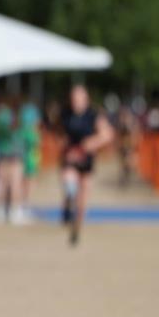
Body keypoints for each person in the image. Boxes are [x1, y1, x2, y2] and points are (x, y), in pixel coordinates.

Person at [59, 84, 115, 245]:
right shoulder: (66, 113)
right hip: (70, 157)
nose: (76, 102)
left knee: (83, 197)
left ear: (86, 99)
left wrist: (91, 143)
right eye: (73, 99)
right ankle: (68, 202)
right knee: (69, 181)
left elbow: (107, 134)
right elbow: (60, 134)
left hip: (86, 159)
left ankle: (76, 229)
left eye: (79, 99)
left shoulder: (93, 115)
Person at [0, 101, 27, 224]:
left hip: (9, 155)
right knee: (9, 184)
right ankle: (9, 211)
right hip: (8, 156)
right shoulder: (5, 117)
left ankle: (7, 211)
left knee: (6, 184)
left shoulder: (3, 117)